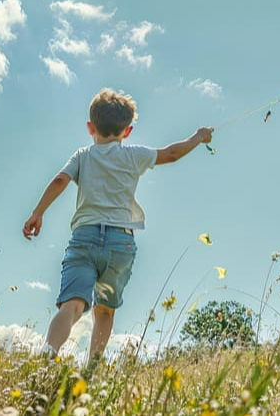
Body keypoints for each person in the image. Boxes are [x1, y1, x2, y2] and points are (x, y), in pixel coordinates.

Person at [22, 88, 213, 371]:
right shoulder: (134, 155)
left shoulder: (83, 156)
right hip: (121, 244)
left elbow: (61, 180)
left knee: (72, 305)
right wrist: (199, 137)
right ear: (127, 131)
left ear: (90, 127)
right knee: (105, 311)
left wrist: (38, 212)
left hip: (85, 237)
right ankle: (92, 371)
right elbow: (172, 154)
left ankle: (48, 354)